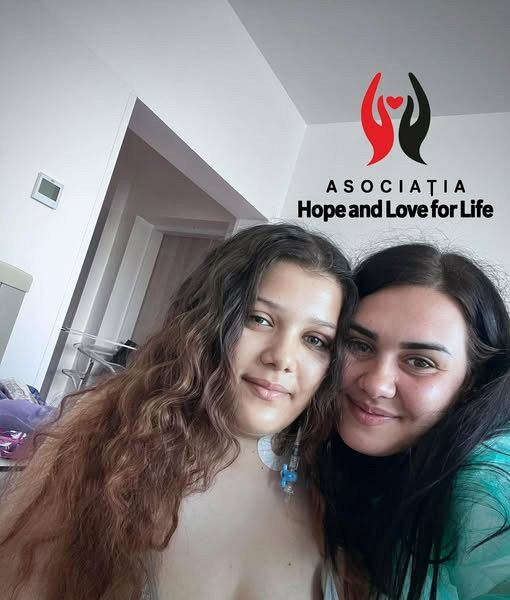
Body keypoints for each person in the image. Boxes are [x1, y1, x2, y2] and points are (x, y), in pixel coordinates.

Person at [0, 223, 356, 600]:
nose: (282, 357)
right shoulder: (105, 458)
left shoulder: (334, 496)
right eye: (259, 319)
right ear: (208, 324)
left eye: (315, 340)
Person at [318, 243, 510, 599]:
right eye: (359, 345)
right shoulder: (332, 458)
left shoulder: (487, 481)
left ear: (471, 382)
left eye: (420, 362)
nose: (376, 383)